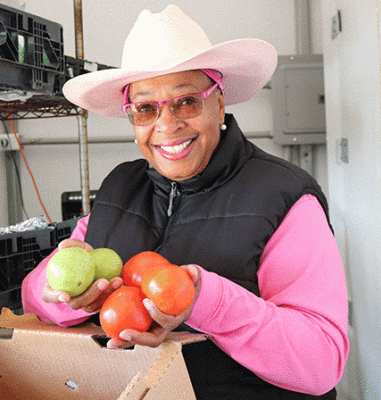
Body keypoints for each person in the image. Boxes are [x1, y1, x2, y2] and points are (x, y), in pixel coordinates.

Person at [22, 4, 349, 399]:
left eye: (187, 101)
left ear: (219, 103)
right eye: (145, 109)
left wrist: (204, 301)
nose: (167, 125)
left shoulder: (283, 194)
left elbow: (321, 363)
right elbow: (34, 297)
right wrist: (69, 298)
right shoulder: (120, 187)